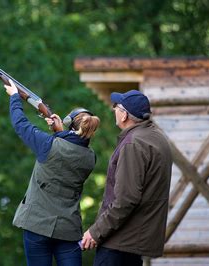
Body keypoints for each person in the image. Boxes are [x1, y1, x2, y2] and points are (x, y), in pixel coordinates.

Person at [4, 80, 100, 266]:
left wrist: (15, 97)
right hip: (68, 230)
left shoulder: (49, 145)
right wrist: (60, 132)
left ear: (68, 123)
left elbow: (20, 124)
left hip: (37, 226)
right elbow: (71, 149)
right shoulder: (90, 157)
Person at [81, 90, 173, 266]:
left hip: (119, 244)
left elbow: (125, 200)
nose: (114, 108)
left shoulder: (133, 144)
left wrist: (95, 232)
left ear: (124, 116)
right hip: (133, 242)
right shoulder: (156, 137)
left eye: (117, 106)